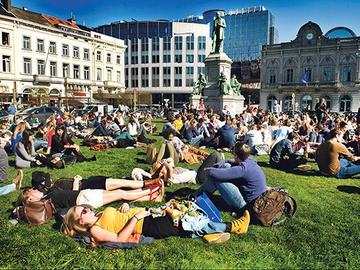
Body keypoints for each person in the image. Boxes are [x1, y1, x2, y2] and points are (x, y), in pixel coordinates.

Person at [61, 203, 250, 245]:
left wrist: (127, 206)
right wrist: (135, 218)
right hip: (146, 225)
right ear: (80, 223)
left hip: (148, 215)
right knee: (186, 222)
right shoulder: (94, 230)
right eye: (82, 212)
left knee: (185, 213)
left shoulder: (102, 214)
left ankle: (209, 234)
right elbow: (119, 239)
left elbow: (119, 216)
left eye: (84, 207)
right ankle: (235, 226)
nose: (86, 209)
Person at [196, 142, 267, 213]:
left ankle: (196, 195)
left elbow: (215, 174)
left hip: (247, 206)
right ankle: (199, 194)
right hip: (258, 200)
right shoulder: (250, 161)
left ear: (235, 155)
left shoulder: (242, 169)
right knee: (226, 165)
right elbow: (229, 161)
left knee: (218, 179)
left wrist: (208, 170)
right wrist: (220, 164)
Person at [18, 180, 165, 213]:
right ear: (30, 199)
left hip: (85, 195)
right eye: (30, 192)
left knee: (120, 194)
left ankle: (152, 195)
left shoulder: (47, 196)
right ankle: (151, 190)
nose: (34, 189)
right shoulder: (43, 203)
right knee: (121, 193)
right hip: (85, 199)